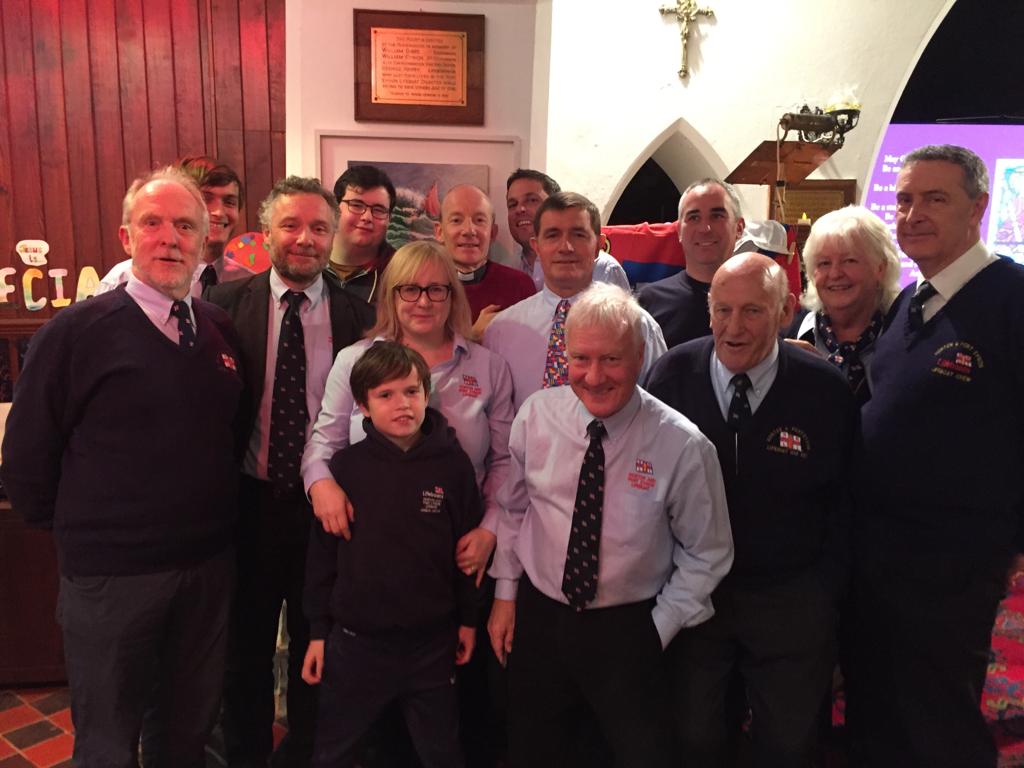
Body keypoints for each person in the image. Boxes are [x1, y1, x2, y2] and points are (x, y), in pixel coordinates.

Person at [1, 167, 246, 767]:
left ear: (205, 238)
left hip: (205, 568)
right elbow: (27, 454)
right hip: (112, 577)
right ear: (126, 236)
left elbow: (230, 432)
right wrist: (84, 532)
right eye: (152, 223)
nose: (170, 238)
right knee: (108, 740)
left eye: (185, 226)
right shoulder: (75, 332)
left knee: (185, 733)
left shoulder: (218, 329)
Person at [487, 282, 733, 768]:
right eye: (581, 359)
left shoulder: (683, 445)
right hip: (541, 619)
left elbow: (708, 554)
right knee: (533, 750)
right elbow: (514, 510)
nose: (594, 376)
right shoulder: (536, 417)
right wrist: (505, 595)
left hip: (630, 627)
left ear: (639, 357)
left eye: (612, 360)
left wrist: (658, 629)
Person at [302, 239, 515, 766]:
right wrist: (321, 484)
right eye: (409, 289)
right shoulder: (356, 360)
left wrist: (490, 528)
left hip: (453, 559)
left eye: (437, 289)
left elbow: (507, 462)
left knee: (442, 726)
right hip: (366, 568)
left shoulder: (488, 367)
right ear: (390, 295)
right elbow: (323, 444)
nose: (423, 300)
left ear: (453, 295)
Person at [644, 253, 858, 767]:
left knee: (788, 744)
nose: (733, 327)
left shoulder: (825, 389)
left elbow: (849, 506)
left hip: (790, 597)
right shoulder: (671, 376)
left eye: (752, 311)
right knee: (694, 738)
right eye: (722, 310)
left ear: (785, 311)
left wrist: (823, 596)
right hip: (697, 595)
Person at [851, 144, 1024, 768]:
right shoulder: (909, 302)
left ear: (978, 208)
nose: (912, 213)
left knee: (940, 720)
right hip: (881, 551)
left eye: (935, 199)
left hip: (954, 561)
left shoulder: (1012, 300)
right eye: (903, 200)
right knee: (881, 711)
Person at [205, 176, 373, 768]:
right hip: (247, 503)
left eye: (319, 228)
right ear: (267, 231)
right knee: (244, 649)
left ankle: (308, 754)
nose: (305, 239)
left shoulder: (360, 316)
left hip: (326, 507)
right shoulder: (223, 308)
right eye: (291, 226)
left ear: (333, 235)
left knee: (317, 644)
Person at [302, 341, 482, 768]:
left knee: (442, 752)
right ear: (362, 406)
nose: (402, 404)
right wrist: (317, 631)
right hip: (355, 644)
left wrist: (469, 619)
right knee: (333, 751)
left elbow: (467, 554)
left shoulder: (454, 467)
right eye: (385, 395)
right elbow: (322, 559)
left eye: (411, 391)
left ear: (426, 394)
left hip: (431, 644)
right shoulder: (345, 468)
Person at [484, 191, 666, 411]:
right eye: (552, 235)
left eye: (578, 235)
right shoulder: (502, 331)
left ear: (599, 245)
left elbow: (657, 410)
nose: (566, 247)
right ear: (536, 246)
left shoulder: (637, 326)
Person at [96, 155, 253, 296]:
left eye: (229, 202)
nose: (219, 212)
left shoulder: (248, 283)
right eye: (207, 198)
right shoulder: (120, 282)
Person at [794, 205, 902, 404]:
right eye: (824, 263)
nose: (835, 273)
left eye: (849, 261)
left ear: (880, 268)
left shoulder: (906, 338)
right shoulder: (786, 338)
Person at [637, 178, 745, 348]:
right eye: (694, 217)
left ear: (739, 227)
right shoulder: (648, 304)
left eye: (717, 216)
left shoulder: (763, 301)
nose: (705, 228)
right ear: (679, 231)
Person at [435, 184, 536, 337]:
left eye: (479, 220)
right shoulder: (422, 288)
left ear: (493, 233)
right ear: (439, 232)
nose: (469, 230)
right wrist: (473, 337)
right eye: (456, 220)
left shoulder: (519, 285)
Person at [506, 168, 630, 292]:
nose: (520, 209)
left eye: (532, 200)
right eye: (512, 204)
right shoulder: (508, 267)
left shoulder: (602, 269)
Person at [328, 164, 397, 303]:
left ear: (389, 218)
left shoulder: (401, 272)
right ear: (334, 208)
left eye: (379, 210)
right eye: (356, 205)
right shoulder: (309, 262)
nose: (367, 217)